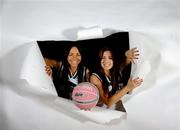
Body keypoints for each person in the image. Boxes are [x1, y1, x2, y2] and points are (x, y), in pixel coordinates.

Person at [90, 47, 143, 112]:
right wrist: (127, 88)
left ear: (114, 60)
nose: (106, 61)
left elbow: (126, 61)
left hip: (115, 108)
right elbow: (107, 103)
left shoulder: (114, 70)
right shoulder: (95, 78)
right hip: (101, 111)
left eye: (110, 58)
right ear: (99, 60)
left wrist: (127, 54)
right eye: (103, 58)